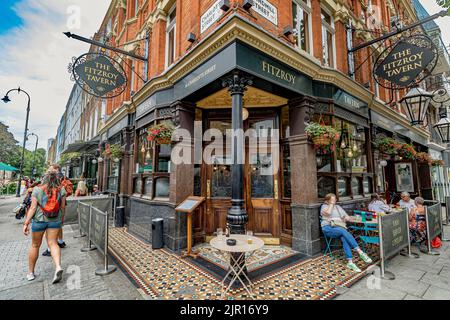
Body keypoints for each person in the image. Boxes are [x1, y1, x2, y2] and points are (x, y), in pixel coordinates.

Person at [23, 169, 66, 284]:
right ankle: (57, 266)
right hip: (55, 220)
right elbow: (62, 208)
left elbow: (32, 208)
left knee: (35, 245)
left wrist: (26, 223)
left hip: (39, 220)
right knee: (53, 243)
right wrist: (61, 219)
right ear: (57, 178)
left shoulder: (37, 190)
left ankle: (31, 273)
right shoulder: (61, 189)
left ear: (44, 178)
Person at [320, 193, 373, 272]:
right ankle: (360, 251)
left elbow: (346, 217)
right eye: (332, 200)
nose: (334, 201)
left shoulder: (338, 207)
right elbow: (328, 213)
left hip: (339, 228)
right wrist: (331, 204)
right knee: (343, 231)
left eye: (335, 200)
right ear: (327, 201)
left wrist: (347, 218)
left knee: (344, 237)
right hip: (328, 228)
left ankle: (350, 262)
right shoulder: (324, 207)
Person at [42, 165, 72, 256]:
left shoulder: (53, 176)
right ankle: (60, 241)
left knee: (50, 227)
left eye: (51, 168)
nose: (49, 169)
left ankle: (50, 247)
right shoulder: (61, 176)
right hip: (60, 201)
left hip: (52, 202)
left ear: (56, 169)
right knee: (59, 223)